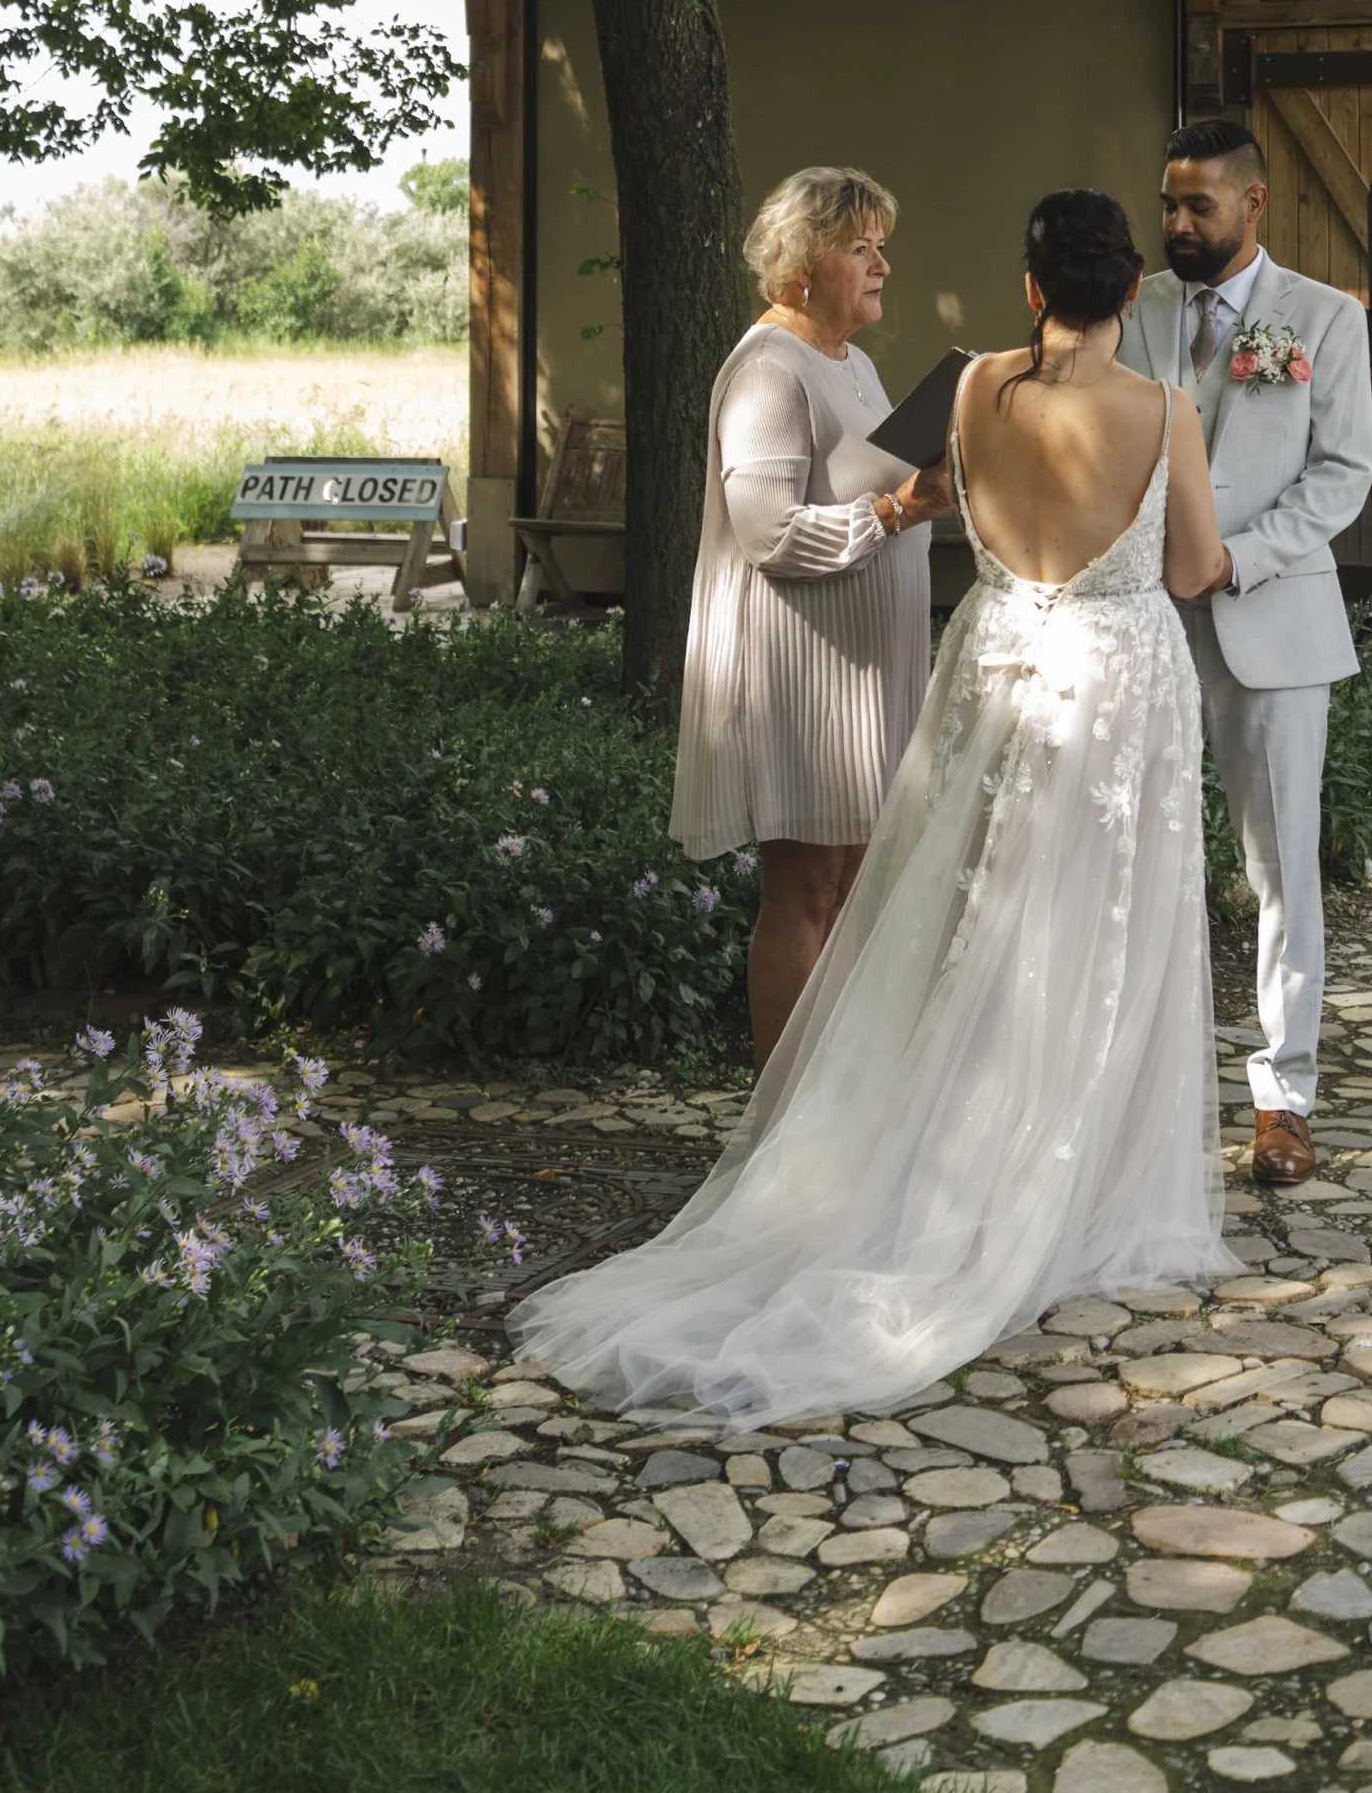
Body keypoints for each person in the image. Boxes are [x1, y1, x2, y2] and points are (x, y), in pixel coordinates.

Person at [511, 189, 1236, 1425]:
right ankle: (1073, 1170)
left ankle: (949, 1145)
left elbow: (955, 508)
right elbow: (1187, 569)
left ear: (1028, 288)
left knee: (978, 914)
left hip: (1000, 657)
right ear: (1129, 295)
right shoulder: (1165, 411)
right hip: (1115, 679)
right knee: (1101, 918)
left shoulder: (969, 394)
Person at [1118, 116, 1372, 1191]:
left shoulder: (1322, 316)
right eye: (1168, 205)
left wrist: (1234, 559)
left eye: (1196, 207)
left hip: (1271, 624)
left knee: (1278, 874)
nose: (1176, 224)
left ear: (1252, 203)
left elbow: (1342, 472)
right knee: (1139, 862)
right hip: (1143, 631)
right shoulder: (1134, 315)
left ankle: (1284, 1100)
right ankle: (1142, 1092)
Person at [669, 165, 948, 1069]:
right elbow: (766, 533)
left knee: (858, 881)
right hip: (804, 674)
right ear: (801, 265)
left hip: (865, 664)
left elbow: (872, 479)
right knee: (808, 885)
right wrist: (901, 510)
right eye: (860, 247)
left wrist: (929, 489)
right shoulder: (767, 370)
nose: (882, 265)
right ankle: (778, 1121)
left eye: (883, 247)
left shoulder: (853, 362)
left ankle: (838, 1108)